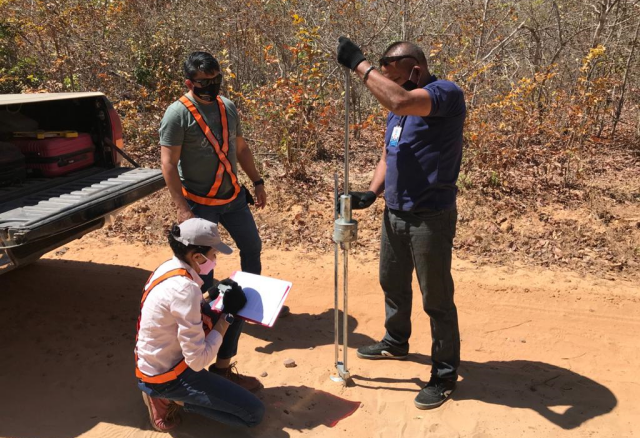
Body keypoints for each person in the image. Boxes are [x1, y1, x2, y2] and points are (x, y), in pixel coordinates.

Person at [337, 37, 465, 410]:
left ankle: (443, 373)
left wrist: (359, 64)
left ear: (414, 68)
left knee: (437, 298)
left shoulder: (444, 94)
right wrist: (372, 193)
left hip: (431, 217)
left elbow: (399, 99)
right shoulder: (397, 107)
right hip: (395, 213)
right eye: (379, 67)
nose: (383, 75)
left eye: (386, 67)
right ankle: (396, 341)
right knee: (392, 282)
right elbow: (388, 153)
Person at [159, 51, 288, 384]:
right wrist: (183, 210)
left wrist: (257, 181)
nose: (211, 86)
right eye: (204, 82)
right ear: (189, 82)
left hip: (233, 199)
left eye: (216, 79)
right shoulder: (177, 115)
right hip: (201, 205)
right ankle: (209, 336)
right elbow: (169, 165)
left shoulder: (227, 106)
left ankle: (249, 303)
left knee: (252, 249)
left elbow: (241, 148)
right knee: (203, 273)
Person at [135, 218, 265, 431]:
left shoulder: (169, 267)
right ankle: (171, 400)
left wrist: (211, 295)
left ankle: (219, 376)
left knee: (229, 307)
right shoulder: (184, 289)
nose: (215, 260)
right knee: (254, 414)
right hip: (167, 376)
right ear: (197, 256)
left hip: (157, 359)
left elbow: (181, 309)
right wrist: (227, 317)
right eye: (213, 255)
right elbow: (197, 361)